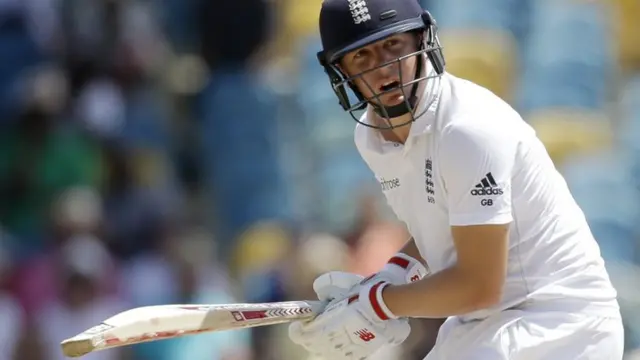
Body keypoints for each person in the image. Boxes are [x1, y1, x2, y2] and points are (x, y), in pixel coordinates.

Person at [287, 0, 625, 359]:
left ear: (421, 41)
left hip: (558, 321)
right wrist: (389, 277)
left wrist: (378, 303)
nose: (384, 68)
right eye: (362, 57)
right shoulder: (371, 139)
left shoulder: (467, 130)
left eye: (392, 45)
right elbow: (444, 226)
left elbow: (480, 286)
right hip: (486, 323)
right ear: (341, 72)